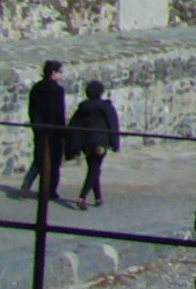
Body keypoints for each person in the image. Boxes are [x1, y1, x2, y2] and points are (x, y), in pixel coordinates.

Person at [19, 60, 66, 202]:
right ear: (53, 73)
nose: (61, 75)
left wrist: (36, 125)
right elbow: (59, 113)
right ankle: (49, 190)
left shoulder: (37, 88)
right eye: (59, 72)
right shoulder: (58, 90)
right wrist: (63, 132)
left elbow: (32, 110)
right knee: (55, 161)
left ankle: (28, 182)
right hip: (54, 130)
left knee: (39, 159)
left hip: (39, 129)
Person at [68, 82, 120, 208]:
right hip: (100, 142)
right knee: (94, 169)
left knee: (93, 168)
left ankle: (98, 197)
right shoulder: (106, 107)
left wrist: (74, 145)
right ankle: (82, 197)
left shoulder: (83, 107)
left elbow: (74, 124)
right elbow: (113, 125)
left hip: (86, 142)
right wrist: (115, 143)